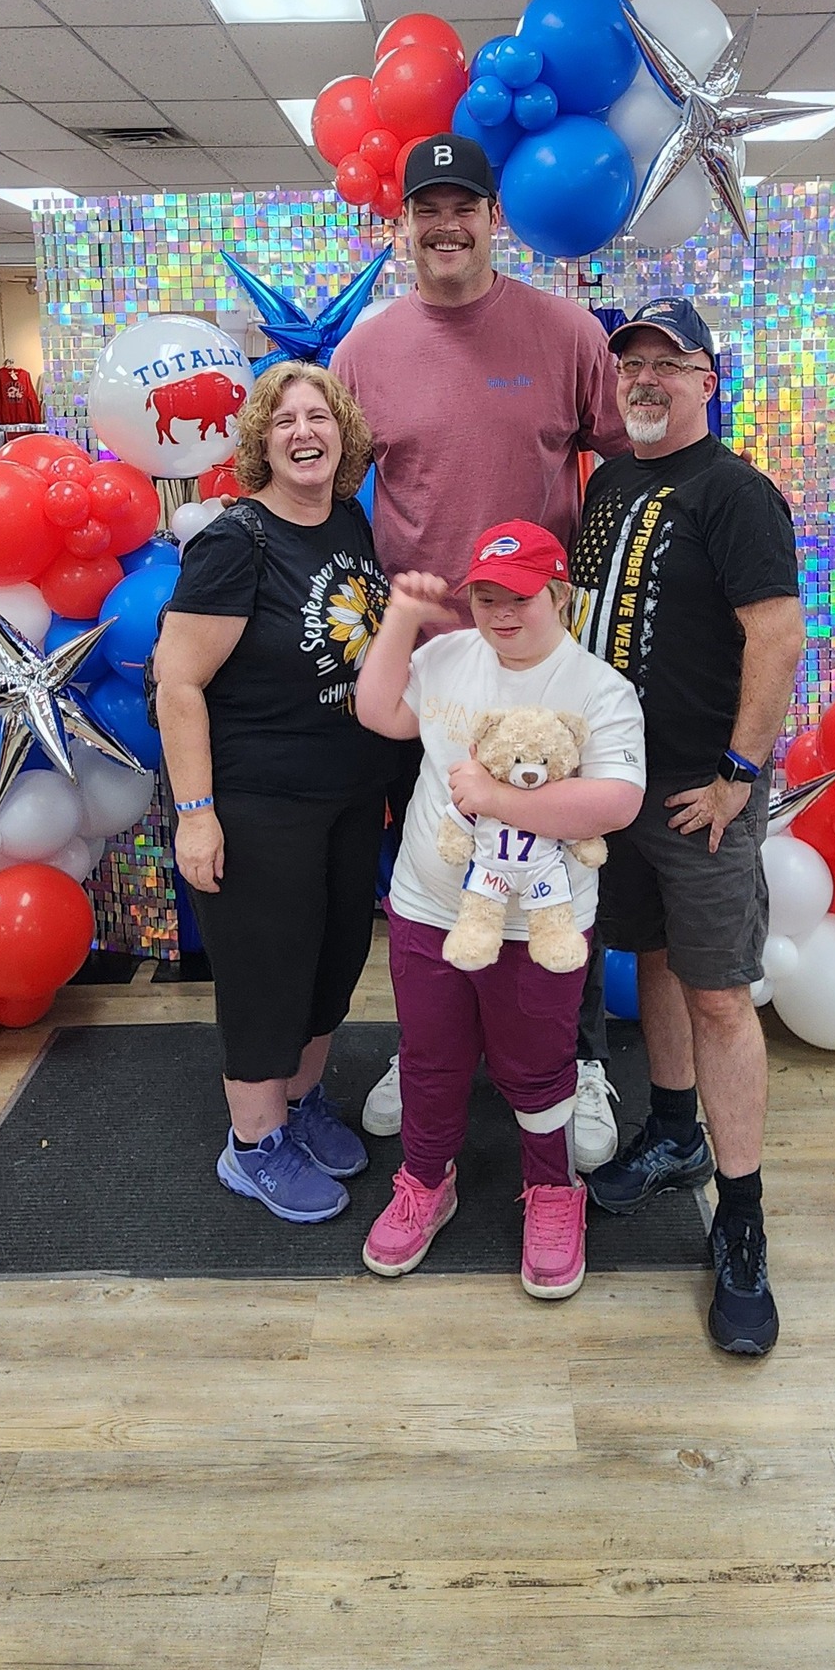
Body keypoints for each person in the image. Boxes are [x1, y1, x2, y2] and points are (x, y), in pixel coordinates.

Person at [333, 129, 629, 1163]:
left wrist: (594, 607)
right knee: (428, 866)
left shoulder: (565, 329)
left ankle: (578, 1061)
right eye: (427, 208)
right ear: (401, 224)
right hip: (424, 661)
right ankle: (428, 1055)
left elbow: (624, 467)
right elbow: (327, 487)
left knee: (555, 860)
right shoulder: (366, 347)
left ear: (495, 218)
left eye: (465, 205)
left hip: (539, 661)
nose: (446, 225)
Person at [568, 299, 805, 1359]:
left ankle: (742, 1220)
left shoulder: (735, 489)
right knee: (651, 956)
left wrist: (738, 775)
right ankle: (673, 1132)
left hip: (701, 786)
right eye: (632, 364)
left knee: (716, 991)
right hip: (618, 783)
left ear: (709, 378)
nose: (647, 379)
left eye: (669, 363)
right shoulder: (612, 480)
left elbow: (778, 636)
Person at [355, 520, 645, 1298]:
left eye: (518, 598)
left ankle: (552, 1193)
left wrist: (493, 799)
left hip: (539, 923)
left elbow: (616, 800)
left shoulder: (597, 688)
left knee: (537, 1066)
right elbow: (378, 712)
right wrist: (402, 621)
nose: (499, 615)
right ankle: (425, 1180)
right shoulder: (448, 656)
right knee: (430, 1055)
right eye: (484, 598)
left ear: (558, 595)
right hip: (429, 907)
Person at [154, 362, 401, 1226]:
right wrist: (195, 815)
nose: (305, 432)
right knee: (267, 977)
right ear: (260, 441)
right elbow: (177, 684)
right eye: (285, 420)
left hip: (344, 794)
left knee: (331, 965)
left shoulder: (346, 520)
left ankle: (298, 1108)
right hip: (258, 803)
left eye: (319, 417)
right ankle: (252, 1145)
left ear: (343, 434)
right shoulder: (236, 540)